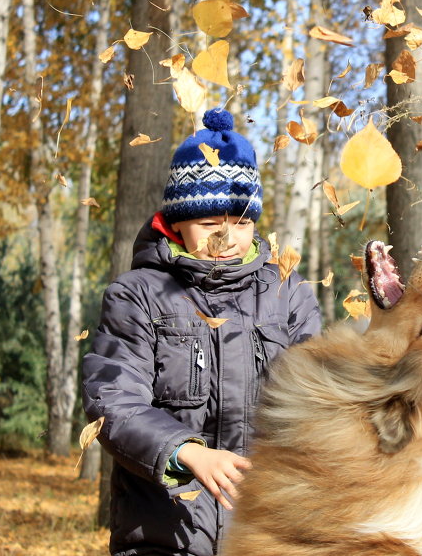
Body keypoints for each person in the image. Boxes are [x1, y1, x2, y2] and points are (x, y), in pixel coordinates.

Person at [82, 108, 322, 556]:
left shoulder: (288, 293)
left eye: (243, 223)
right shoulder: (137, 295)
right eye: (210, 225)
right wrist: (186, 452)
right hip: (165, 532)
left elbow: (322, 398)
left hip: (267, 531)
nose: (228, 238)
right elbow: (113, 402)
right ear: (177, 222)